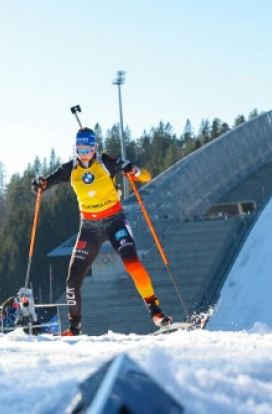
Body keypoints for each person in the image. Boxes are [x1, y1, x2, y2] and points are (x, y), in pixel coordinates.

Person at [32, 127, 172, 336]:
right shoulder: (69, 169)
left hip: (114, 222)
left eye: (87, 149)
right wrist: (39, 183)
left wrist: (134, 170)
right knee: (72, 281)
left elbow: (146, 176)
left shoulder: (107, 161)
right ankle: (74, 328)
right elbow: (45, 184)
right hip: (89, 228)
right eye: (79, 149)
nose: (84, 153)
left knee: (132, 264)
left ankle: (156, 312)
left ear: (94, 147)